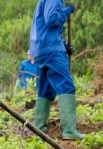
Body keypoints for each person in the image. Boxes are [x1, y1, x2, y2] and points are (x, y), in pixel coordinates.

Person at [28, 0, 85, 139]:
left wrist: (64, 46)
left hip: (41, 50)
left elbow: (46, 28)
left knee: (45, 90)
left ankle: (39, 129)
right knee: (66, 86)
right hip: (51, 49)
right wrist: (68, 10)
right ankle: (69, 131)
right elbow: (51, 19)